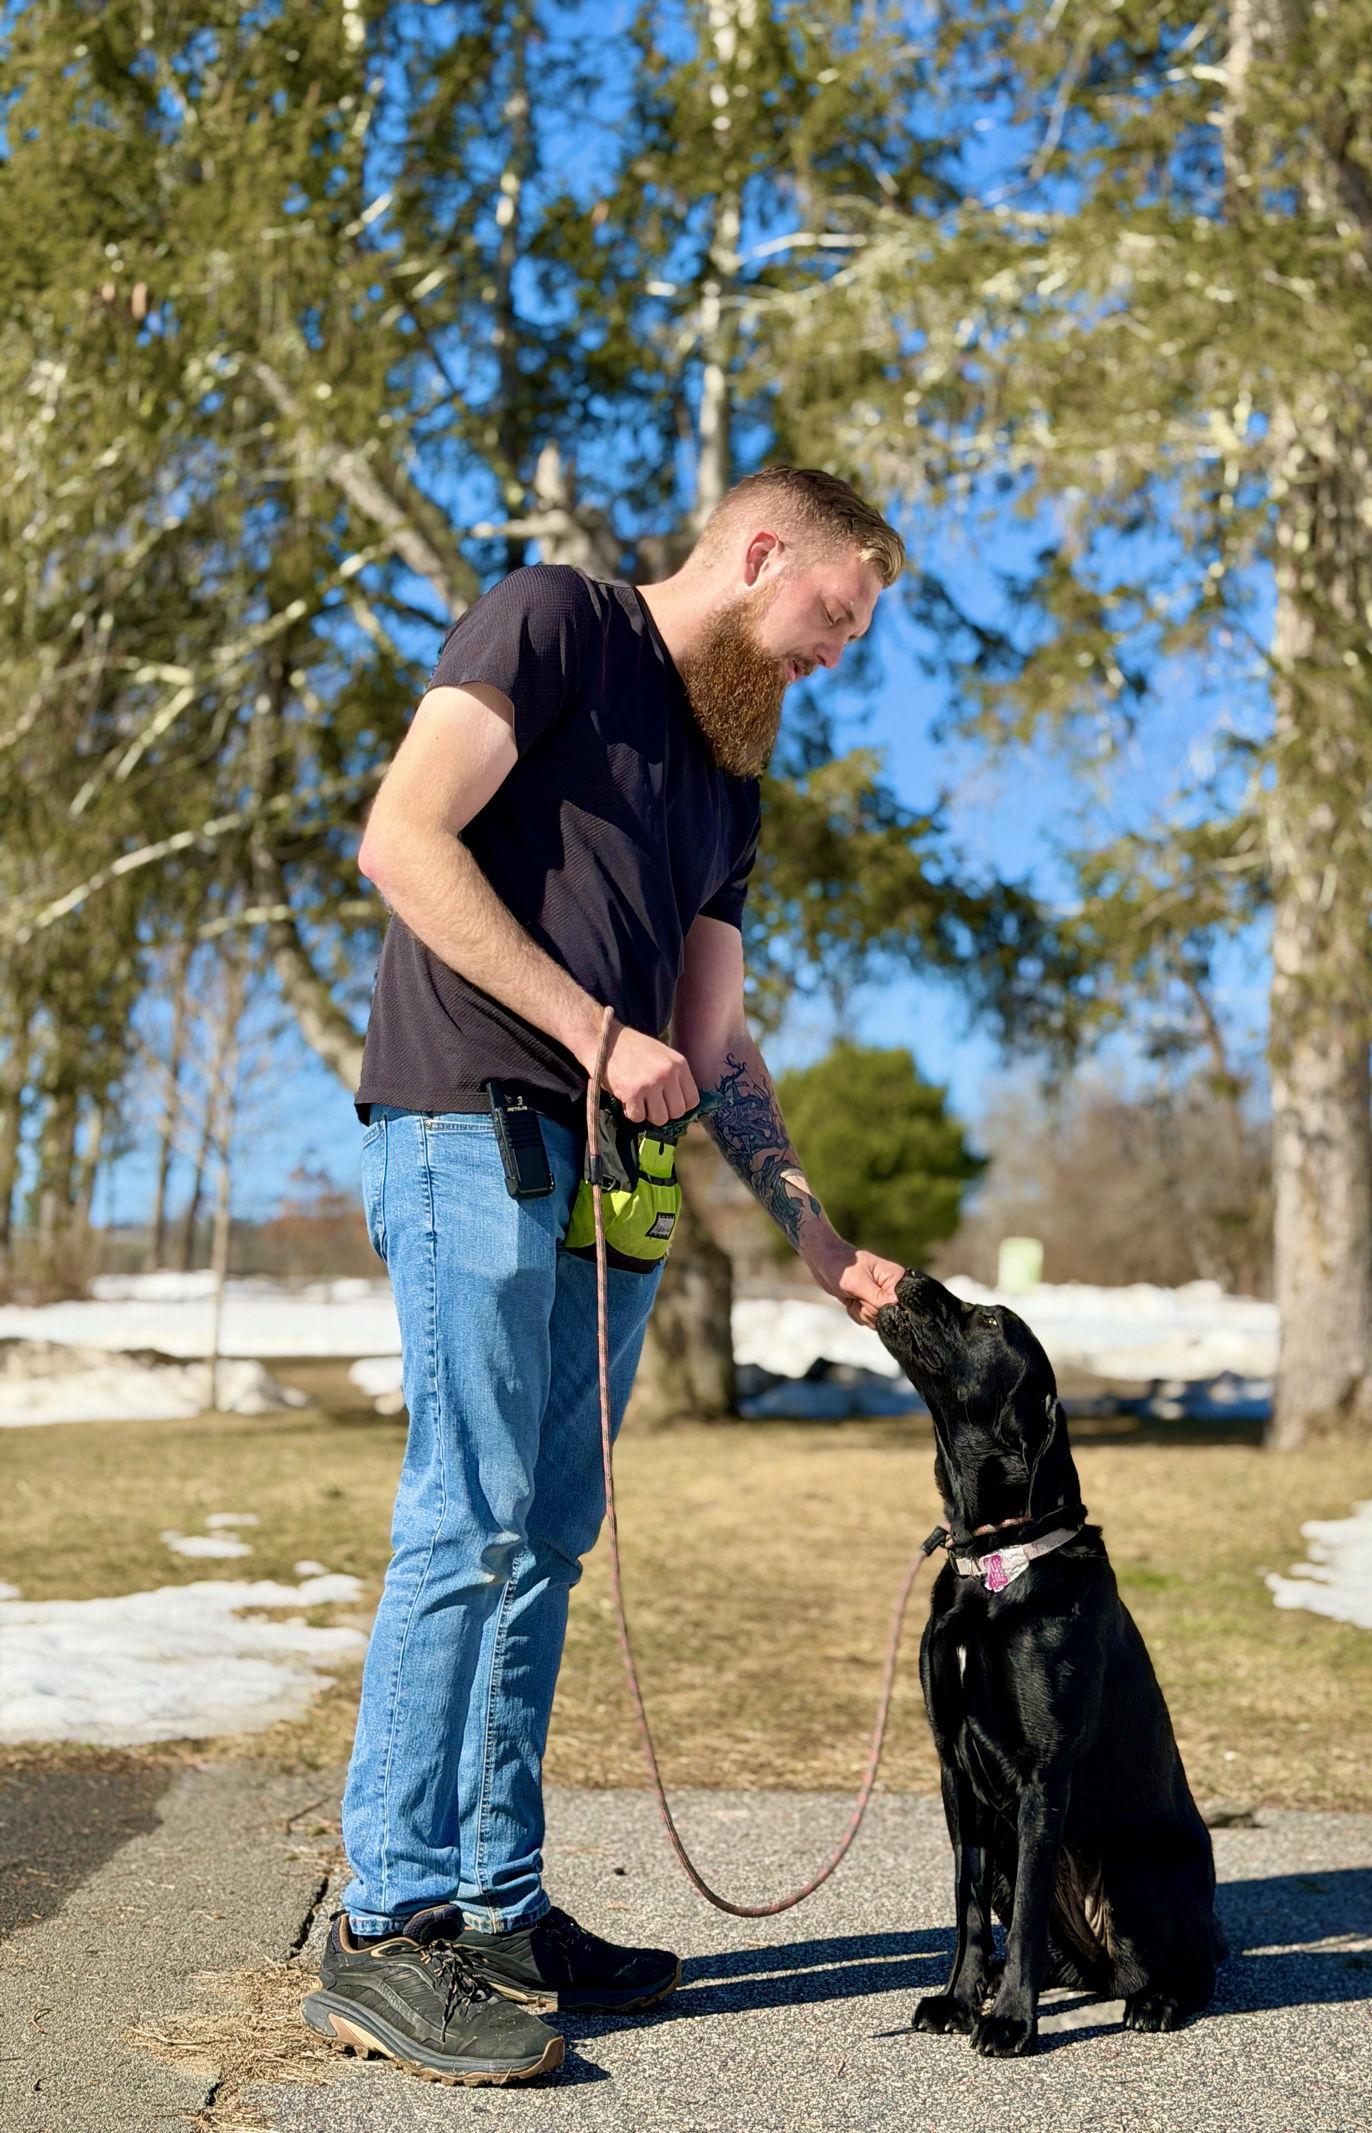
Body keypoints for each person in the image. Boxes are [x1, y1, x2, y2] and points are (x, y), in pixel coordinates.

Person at [306, 467, 909, 2085]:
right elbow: (401, 836)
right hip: (471, 1130)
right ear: (763, 550)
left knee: (547, 1538)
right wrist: (590, 1029)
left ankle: (500, 1906)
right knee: (468, 1512)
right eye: (833, 616)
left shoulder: (730, 776)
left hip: (611, 1186)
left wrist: (815, 1232)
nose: (832, 654)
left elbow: (711, 1046)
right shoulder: (551, 619)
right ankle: (385, 1926)